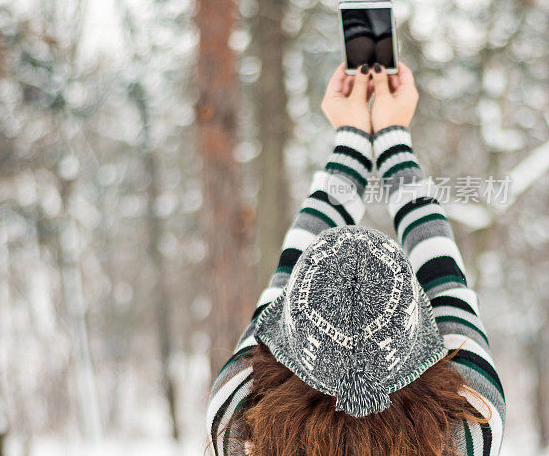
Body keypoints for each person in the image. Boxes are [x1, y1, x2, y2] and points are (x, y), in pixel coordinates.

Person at [206, 62, 505, 456]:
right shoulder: (469, 424)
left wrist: (352, 141)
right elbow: (444, 276)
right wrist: (392, 136)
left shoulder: (242, 424)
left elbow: (284, 279)